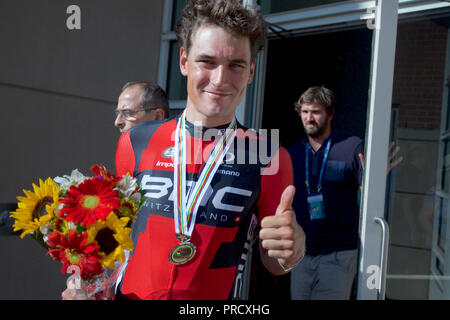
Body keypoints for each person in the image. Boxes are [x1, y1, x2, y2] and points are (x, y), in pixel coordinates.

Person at [63, 0, 305, 300]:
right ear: (183, 61)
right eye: (207, 61)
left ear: (251, 72)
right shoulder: (135, 141)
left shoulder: (268, 155)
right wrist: (85, 283)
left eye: (236, 65)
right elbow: (115, 232)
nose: (220, 79)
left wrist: (290, 250)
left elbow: (275, 261)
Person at [289, 86, 363, 300]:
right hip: (302, 254)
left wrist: (374, 177)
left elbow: (368, 196)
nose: (309, 118)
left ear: (330, 113)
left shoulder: (351, 147)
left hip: (337, 254)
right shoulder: (293, 152)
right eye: (304, 112)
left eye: (316, 112)